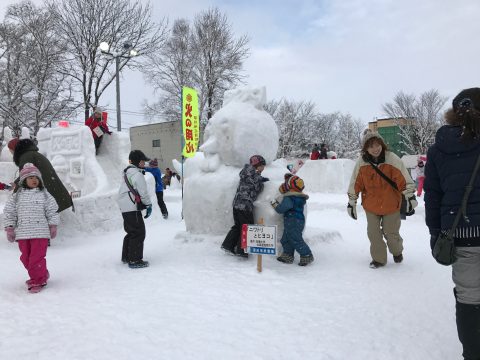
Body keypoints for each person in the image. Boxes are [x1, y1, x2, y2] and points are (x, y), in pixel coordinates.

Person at [424, 88, 480, 359]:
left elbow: (433, 196)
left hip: (463, 236)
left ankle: (472, 352)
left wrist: (436, 233)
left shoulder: (438, 150)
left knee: (469, 300)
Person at [347, 130, 417, 268]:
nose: (375, 149)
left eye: (377, 144)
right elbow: (355, 183)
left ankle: (397, 251)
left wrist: (410, 197)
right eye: (371, 146)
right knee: (373, 233)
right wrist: (351, 202)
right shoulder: (361, 163)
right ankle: (379, 259)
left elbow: (405, 180)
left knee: (391, 233)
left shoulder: (392, 159)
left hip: (391, 204)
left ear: (382, 144)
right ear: (365, 148)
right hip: (371, 205)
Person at [3, 163, 59, 293]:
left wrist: (53, 225)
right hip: (23, 233)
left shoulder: (45, 195)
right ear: (23, 181)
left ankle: (38, 280)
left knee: (36, 258)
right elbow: (9, 212)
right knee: (25, 258)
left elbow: (52, 210)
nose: (34, 180)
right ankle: (42, 273)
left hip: (40, 233)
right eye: (30, 178)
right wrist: (9, 228)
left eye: (36, 178)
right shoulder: (17, 197)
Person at [221, 154, 269, 258]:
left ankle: (228, 245)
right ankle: (242, 250)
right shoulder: (255, 177)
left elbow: (251, 180)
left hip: (237, 204)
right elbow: (257, 189)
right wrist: (261, 181)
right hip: (245, 205)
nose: (264, 168)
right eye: (263, 166)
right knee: (247, 227)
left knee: (238, 226)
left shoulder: (246, 173)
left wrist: (259, 178)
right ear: (258, 165)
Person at [11, 138, 73, 213]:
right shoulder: (33, 155)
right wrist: (16, 182)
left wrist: (13, 198)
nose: (10, 153)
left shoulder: (26, 157)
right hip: (59, 198)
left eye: (10, 150)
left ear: (15, 150)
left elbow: (24, 179)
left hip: (52, 201)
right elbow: (29, 173)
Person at [117, 150, 153, 269]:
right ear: (138, 161)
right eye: (143, 161)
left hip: (125, 207)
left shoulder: (127, 173)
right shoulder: (137, 174)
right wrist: (148, 205)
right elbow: (143, 192)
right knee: (138, 232)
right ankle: (134, 259)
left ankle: (127, 256)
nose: (144, 163)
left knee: (131, 232)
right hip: (132, 207)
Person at [272, 174, 314, 266]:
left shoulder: (290, 197)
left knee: (296, 239)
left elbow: (281, 209)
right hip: (297, 220)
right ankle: (287, 255)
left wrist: (275, 204)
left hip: (293, 221)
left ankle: (307, 255)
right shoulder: (299, 197)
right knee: (286, 239)